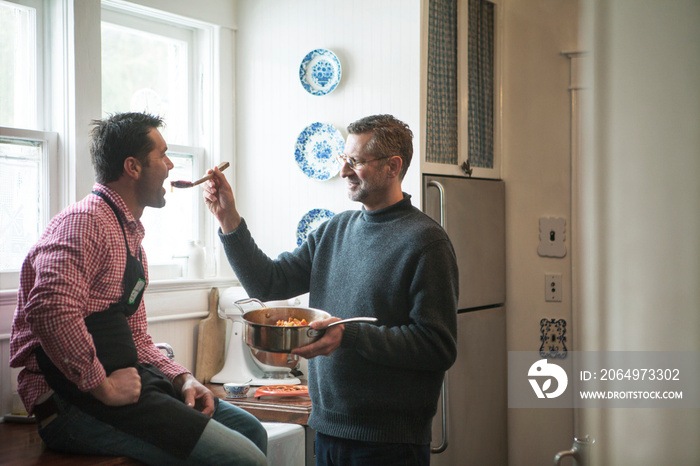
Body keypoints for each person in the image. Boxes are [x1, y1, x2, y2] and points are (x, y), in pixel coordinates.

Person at [10, 112, 267, 465]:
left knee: (252, 430)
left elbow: (136, 337)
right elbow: (50, 309)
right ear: (132, 166)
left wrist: (183, 380)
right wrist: (103, 386)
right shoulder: (84, 222)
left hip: (129, 387)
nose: (170, 164)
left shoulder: (129, 236)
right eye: (162, 155)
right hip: (71, 404)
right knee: (245, 459)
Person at [203, 114, 458, 465]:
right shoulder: (334, 230)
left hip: (389, 443)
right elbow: (268, 283)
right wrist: (228, 218)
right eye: (344, 159)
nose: (344, 171)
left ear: (392, 167)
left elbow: (437, 346)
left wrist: (349, 335)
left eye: (356, 161)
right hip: (327, 429)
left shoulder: (426, 242)